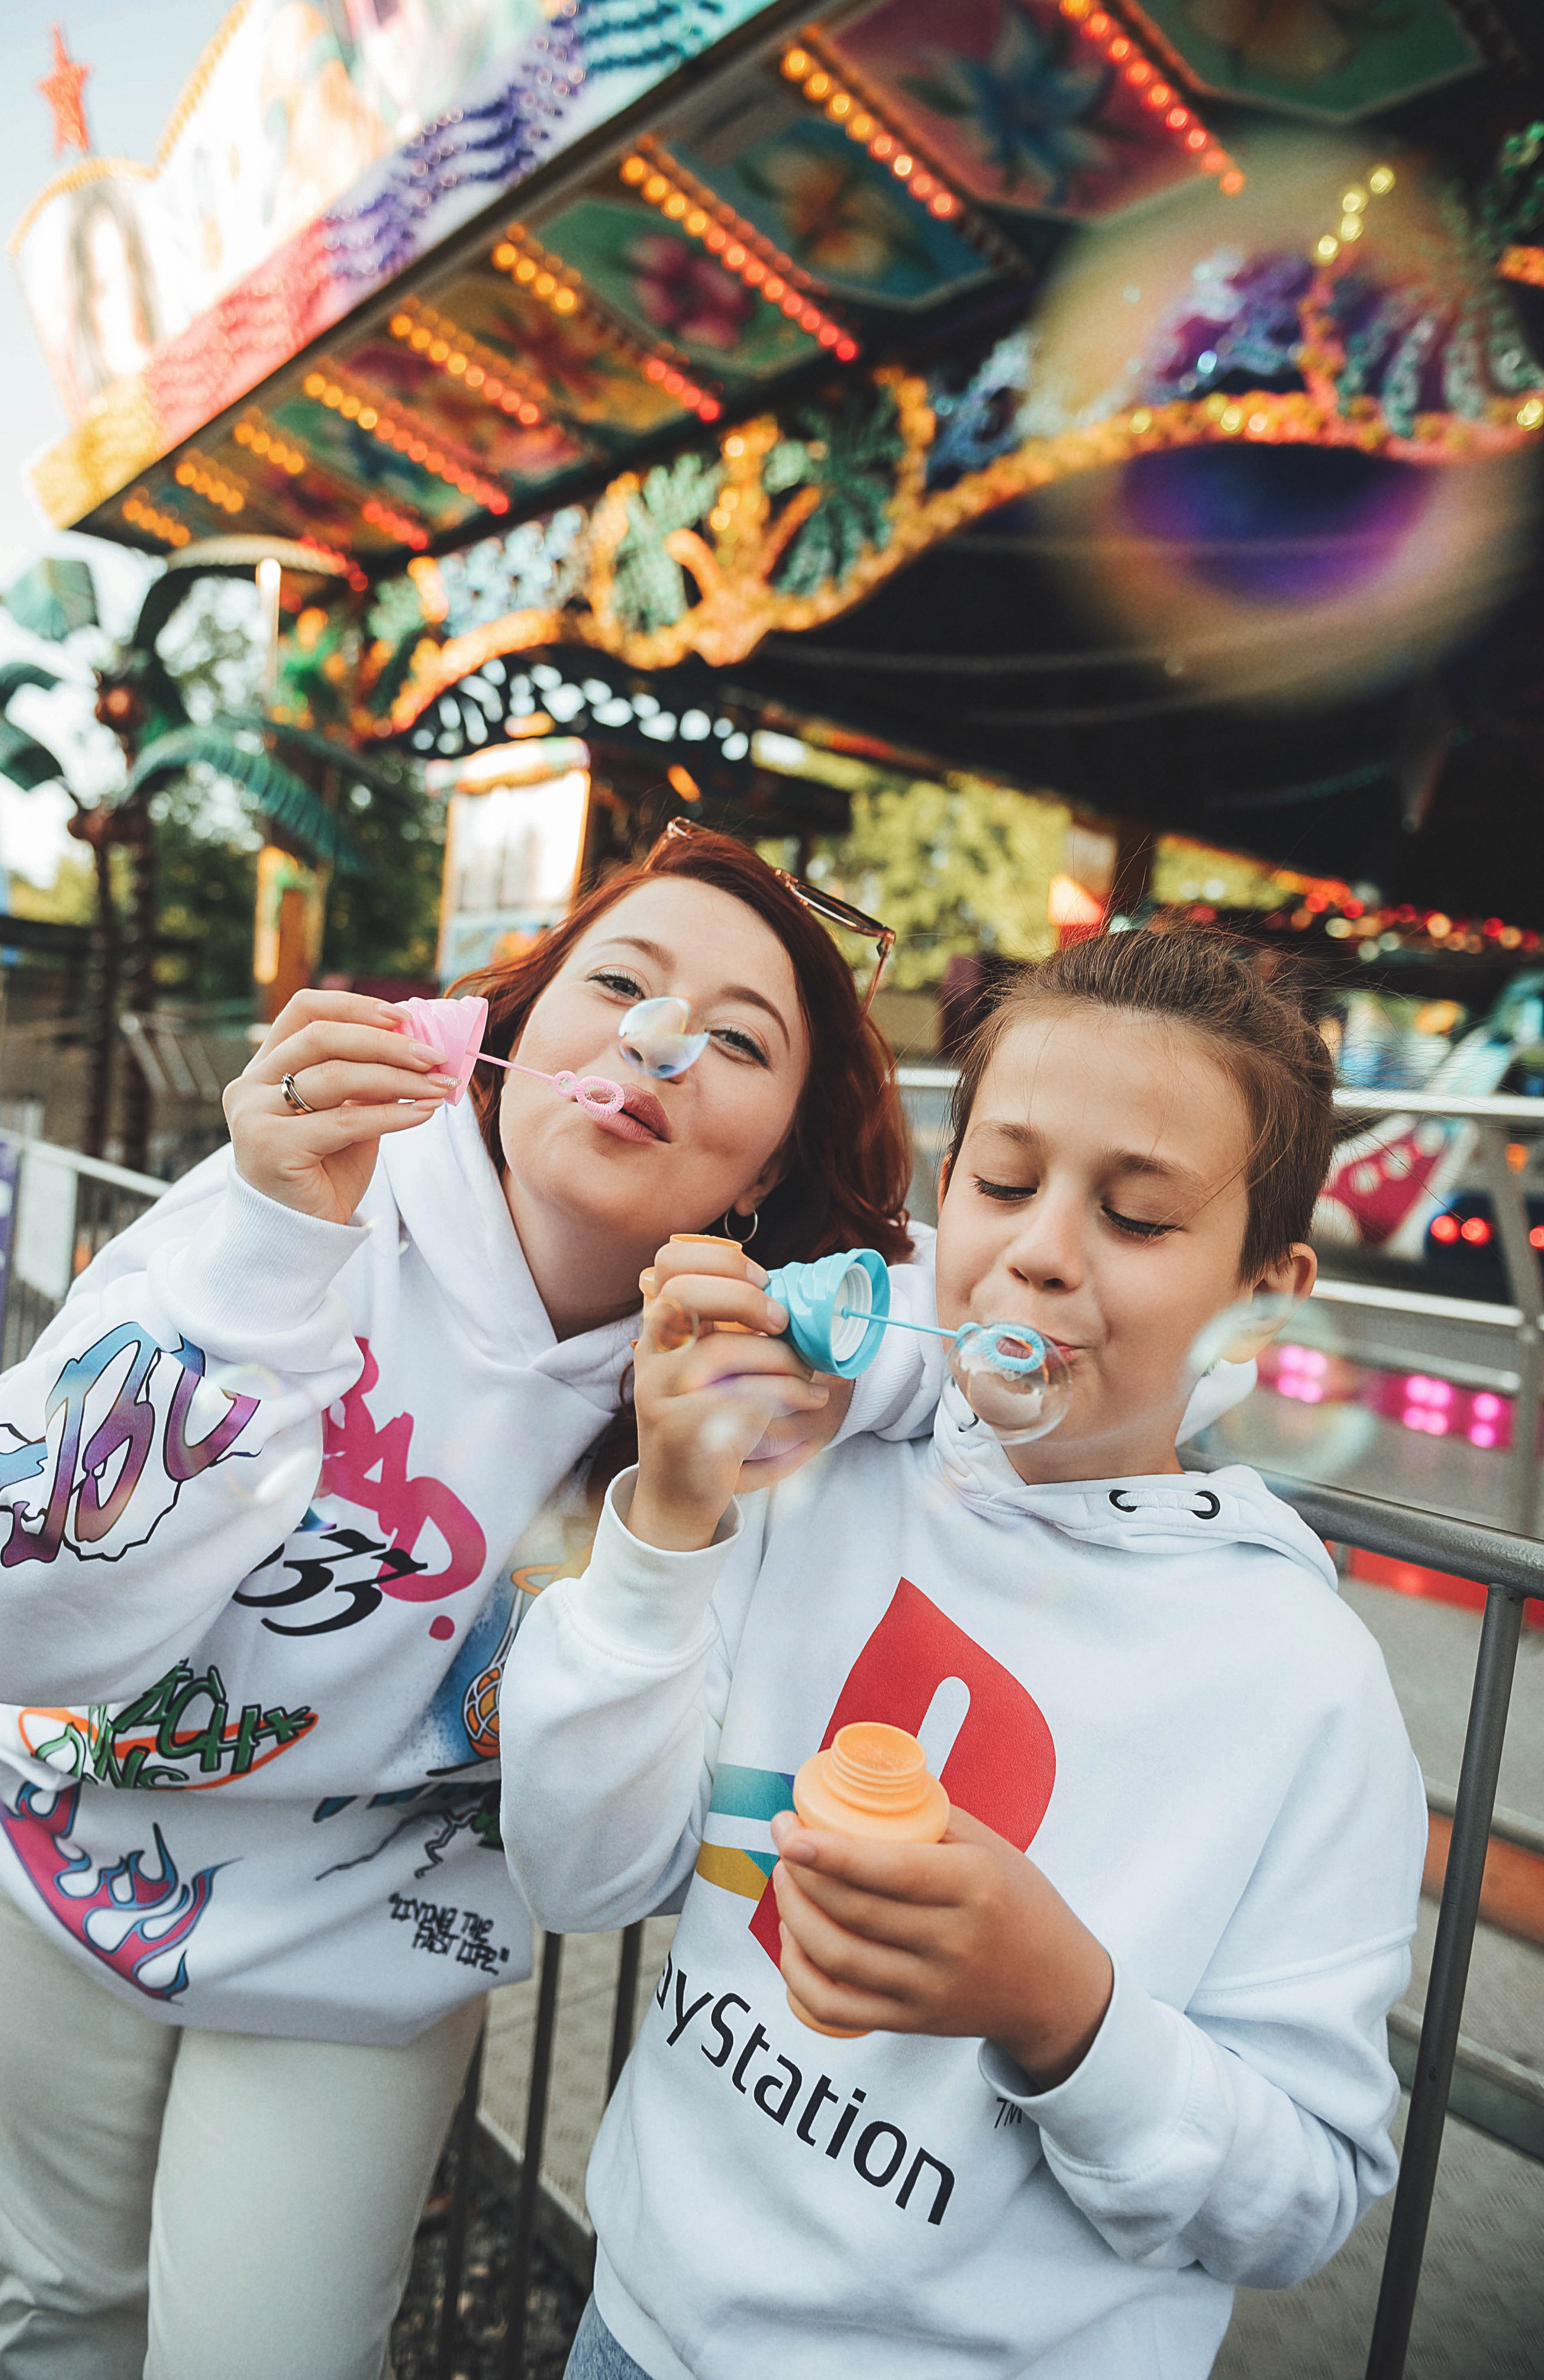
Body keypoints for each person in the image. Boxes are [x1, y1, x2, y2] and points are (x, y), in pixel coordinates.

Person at [0, 824, 923, 2380]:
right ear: (510, 1035)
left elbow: (1010, 1317)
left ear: (773, 1158)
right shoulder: (300, 1197)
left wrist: (774, 1423)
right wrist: (268, 1249)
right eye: (620, 983)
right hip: (48, 1842)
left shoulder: (747, 1391)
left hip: (363, 1948)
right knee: (60, 2310)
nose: (656, 1044)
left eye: (739, 1040)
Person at [500, 925, 1427, 2380]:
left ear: (1267, 1291)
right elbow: (576, 1872)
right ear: (948, 1194)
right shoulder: (812, 1481)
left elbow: (1300, 2198)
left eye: (1135, 1217)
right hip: (637, 2331)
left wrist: (1064, 2009)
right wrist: (664, 1522)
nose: (1043, 1250)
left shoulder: (1303, 1686)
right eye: (1004, 1183)